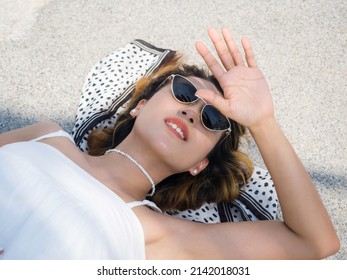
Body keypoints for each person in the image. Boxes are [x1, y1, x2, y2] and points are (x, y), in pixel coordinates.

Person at [0, 28, 339, 259]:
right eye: (185, 93)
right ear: (140, 105)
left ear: (199, 164)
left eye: (213, 119)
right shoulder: (44, 135)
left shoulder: (162, 236)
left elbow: (314, 242)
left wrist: (263, 122)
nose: (192, 111)